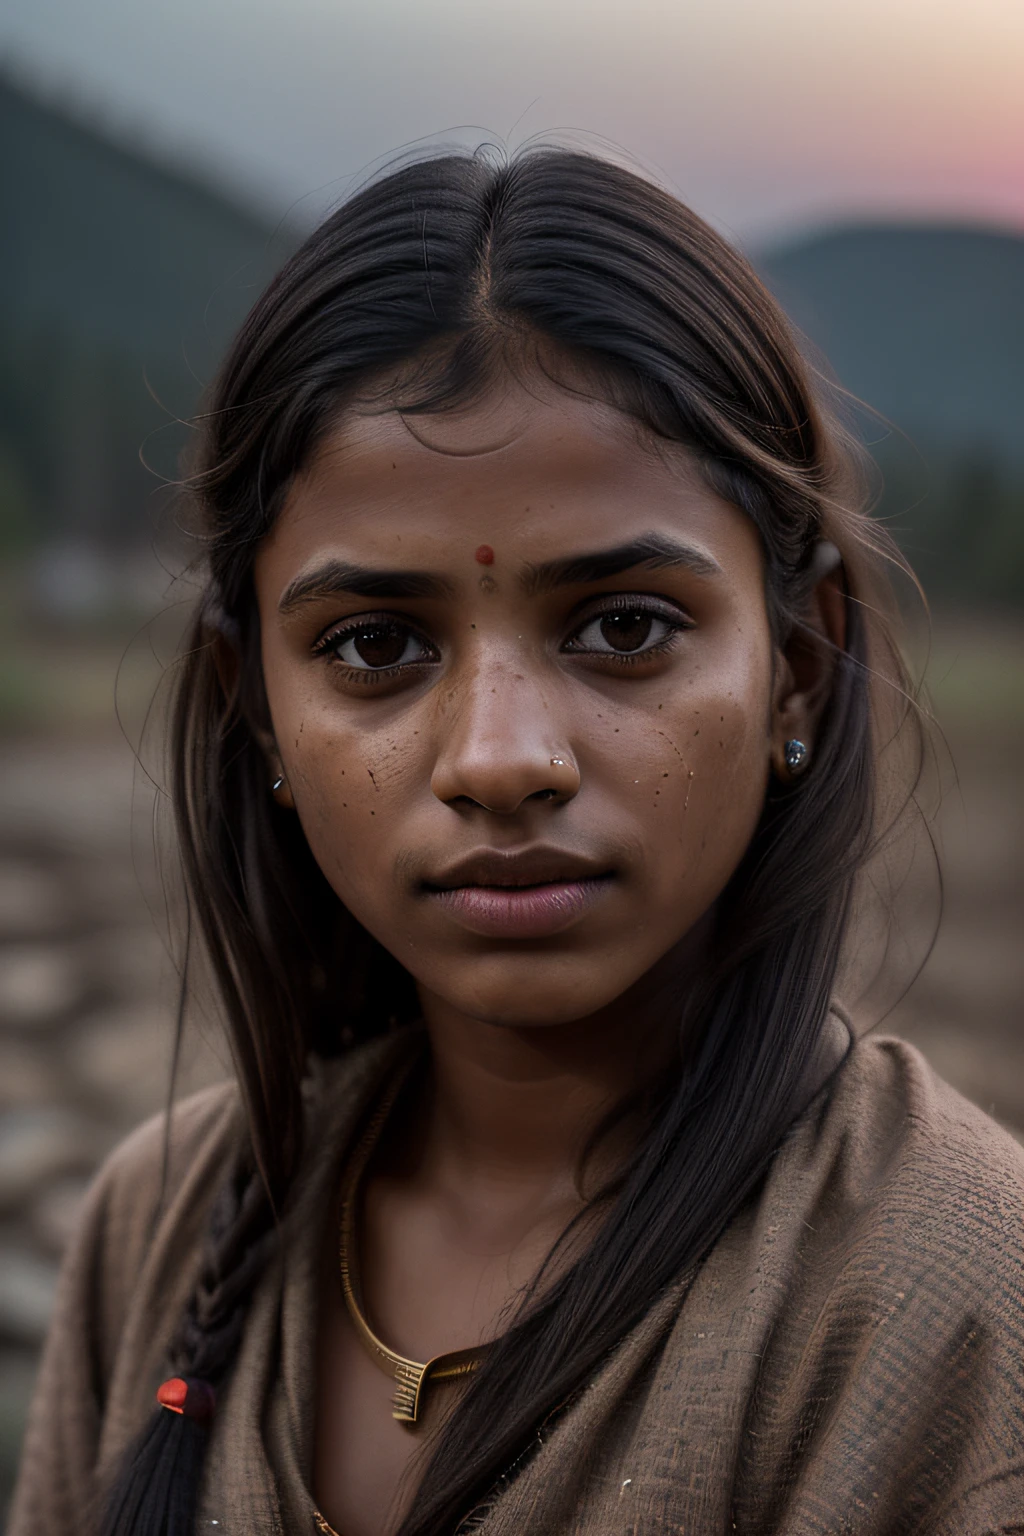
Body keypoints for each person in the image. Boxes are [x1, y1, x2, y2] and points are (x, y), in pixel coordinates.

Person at [10, 149, 1024, 1536]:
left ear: (797, 662)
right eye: (374, 645)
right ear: (261, 717)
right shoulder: (162, 1232)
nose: (499, 759)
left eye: (622, 628)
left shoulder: (953, 1303)